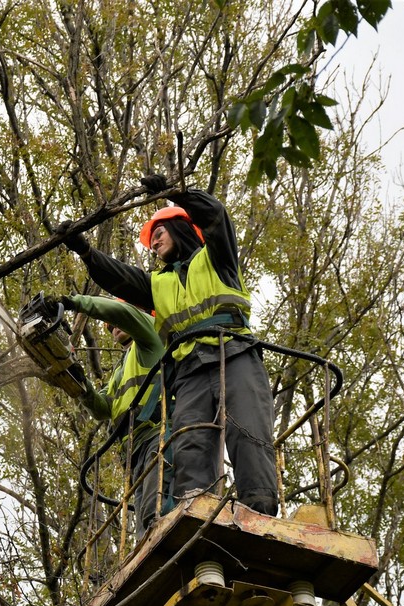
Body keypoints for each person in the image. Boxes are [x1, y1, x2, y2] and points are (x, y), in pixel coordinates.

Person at [57, 177, 279, 516]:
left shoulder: (217, 258)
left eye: (160, 231)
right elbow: (120, 279)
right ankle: (195, 511)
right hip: (188, 371)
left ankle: (259, 509)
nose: (154, 240)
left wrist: (180, 193)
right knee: (189, 443)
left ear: (182, 228)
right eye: (152, 237)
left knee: (246, 430)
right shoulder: (157, 283)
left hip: (233, 354)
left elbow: (216, 215)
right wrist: (86, 251)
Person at [45, 293, 171, 537]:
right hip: (133, 450)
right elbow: (101, 408)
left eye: (115, 321)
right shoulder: (119, 370)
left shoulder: (150, 339)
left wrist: (72, 302)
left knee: (154, 512)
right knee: (143, 524)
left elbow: (124, 313)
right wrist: (75, 375)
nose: (114, 329)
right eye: (110, 327)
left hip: (160, 434)